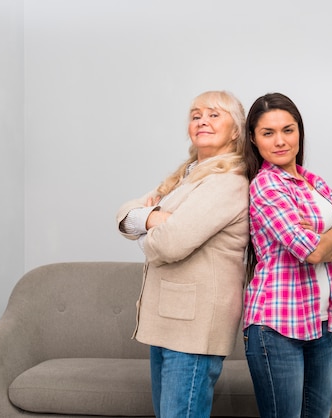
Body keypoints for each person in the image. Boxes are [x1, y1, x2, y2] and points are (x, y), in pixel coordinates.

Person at [116, 91, 249, 418]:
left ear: (236, 130)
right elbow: (123, 214)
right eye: (195, 114)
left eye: (214, 114)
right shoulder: (185, 176)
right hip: (169, 321)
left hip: (194, 328)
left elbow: (170, 244)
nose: (202, 120)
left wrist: (146, 233)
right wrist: (152, 220)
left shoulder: (229, 181)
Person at [242, 92, 332, 418]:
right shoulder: (266, 186)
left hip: (318, 324)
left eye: (288, 129)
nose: (280, 141)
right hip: (277, 328)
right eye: (268, 133)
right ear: (254, 139)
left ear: (300, 132)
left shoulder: (315, 183)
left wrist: (327, 237)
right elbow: (311, 252)